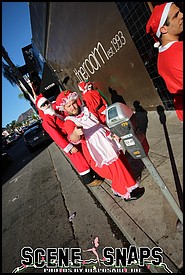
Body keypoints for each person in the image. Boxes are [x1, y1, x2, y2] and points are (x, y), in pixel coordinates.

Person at [55, 90, 145, 201]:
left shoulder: (87, 110)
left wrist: (114, 132)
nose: (73, 107)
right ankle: (126, 193)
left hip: (108, 140)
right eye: (69, 106)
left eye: (73, 103)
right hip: (97, 148)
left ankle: (126, 187)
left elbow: (102, 120)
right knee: (115, 168)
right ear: (65, 109)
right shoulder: (69, 122)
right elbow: (73, 139)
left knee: (121, 162)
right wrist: (75, 134)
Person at [34, 93, 103, 187]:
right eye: (43, 105)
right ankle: (88, 180)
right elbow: (56, 136)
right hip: (68, 141)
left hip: (73, 135)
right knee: (79, 160)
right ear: (40, 108)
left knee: (86, 154)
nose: (46, 105)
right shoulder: (46, 120)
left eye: (46, 102)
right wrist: (69, 147)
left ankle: (96, 172)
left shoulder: (55, 112)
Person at [146, 2, 183, 122]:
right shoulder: (180, 50)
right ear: (163, 29)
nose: (182, 15)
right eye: (176, 15)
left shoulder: (160, 59)